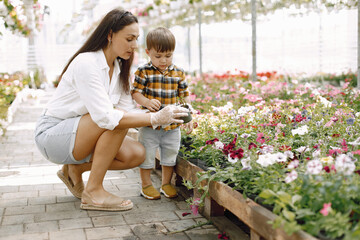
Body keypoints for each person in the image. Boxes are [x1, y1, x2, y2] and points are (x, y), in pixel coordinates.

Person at [34, 9, 189, 211]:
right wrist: (155, 118)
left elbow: (128, 109)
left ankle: (74, 169)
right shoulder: (86, 63)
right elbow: (107, 117)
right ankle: (93, 191)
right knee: (116, 120)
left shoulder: (118, 68)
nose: (135, 46)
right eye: (129, 39)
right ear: (110, 35)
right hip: (53, 136)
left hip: (79, 133)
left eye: (136, 39)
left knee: (136, 153)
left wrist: (167, 113)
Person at [131, 27, 194, 200]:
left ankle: (166, 184)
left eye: (168, 55)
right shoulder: (143, 72)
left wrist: (189, 114)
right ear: (148, 52)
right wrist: (146, 102)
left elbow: (184, 95)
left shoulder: (178, 73)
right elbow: (135, 92)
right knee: (147, 155)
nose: (163, 60)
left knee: (170, 155)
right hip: (150, 124)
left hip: (172, 125)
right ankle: (146, 186)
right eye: (158, 56)